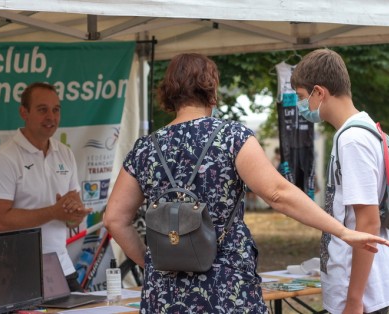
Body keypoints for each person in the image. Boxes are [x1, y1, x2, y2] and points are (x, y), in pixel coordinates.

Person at [103, 53, 389, 313]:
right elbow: (277, 194)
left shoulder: (145, 148)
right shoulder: (232, 138)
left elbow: (115, 219)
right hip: (225, 289)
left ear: (170, 93)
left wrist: (156, 261)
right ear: (212, 90)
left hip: (163, 295)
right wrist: (342, 231)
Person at [291, 48, 389, 314]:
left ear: (319, 92)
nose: (303, 106)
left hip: (360, 296)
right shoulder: (364, 130)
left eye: (303, 97)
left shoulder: (352, 139)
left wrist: (354, 300)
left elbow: (368, 221)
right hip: (357, 288)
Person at [0, 82, 92, 292]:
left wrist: (76, 214)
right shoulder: (5, 157)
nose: (51, 117)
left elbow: (72, 216)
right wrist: (54, 212)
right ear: (23, 112)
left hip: (60, 264)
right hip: (18, 269)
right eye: (42, 109)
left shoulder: (65, 153)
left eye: (56, 110)